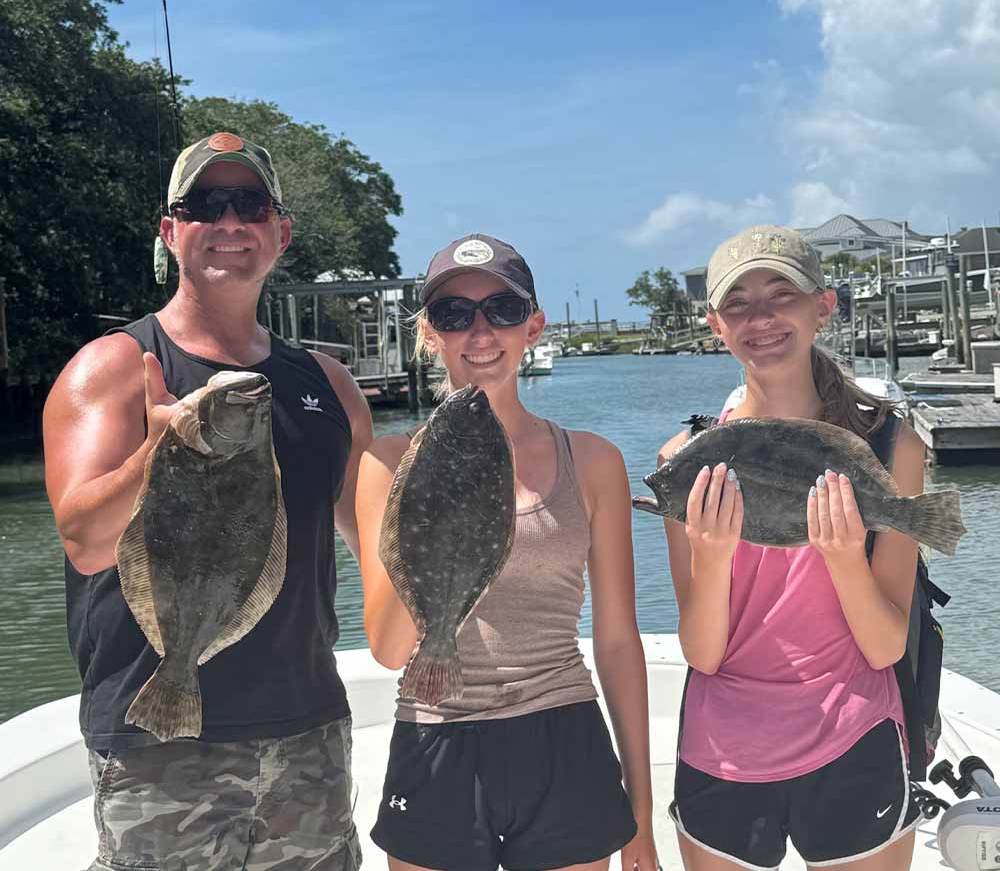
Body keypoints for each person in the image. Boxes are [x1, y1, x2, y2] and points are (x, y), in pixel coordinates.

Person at [43, 131, 372, 869]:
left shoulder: (329, 385)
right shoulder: (116, 369)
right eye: (205, 204)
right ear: (171, 230)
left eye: (249, 203)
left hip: (308, 727)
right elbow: (86, 541)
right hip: (161, 743)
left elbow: (372, 539)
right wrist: (157, 450)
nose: (229, 223)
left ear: (280, 231)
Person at [356, 234, 657, 871]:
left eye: (503, 309)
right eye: (454, 315)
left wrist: (641, 810)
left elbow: (618, 641)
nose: (481, 331)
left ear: (534, 327)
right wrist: (431, 511)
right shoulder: (386, 464)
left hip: (561, 730)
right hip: (434, 733)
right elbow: (386, 648)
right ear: (430, 333)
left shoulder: (594, 460)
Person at [659, 224, 925, 871]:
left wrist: (842, 560)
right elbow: (702, 651)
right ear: (715, 324)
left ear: (823, 305)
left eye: (782, 294)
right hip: (722, 749)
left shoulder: (895, 448)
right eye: (738, 303)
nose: (762, 318)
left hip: (856, 737)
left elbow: (887, 645)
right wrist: (712, 557)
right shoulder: (683, 461)